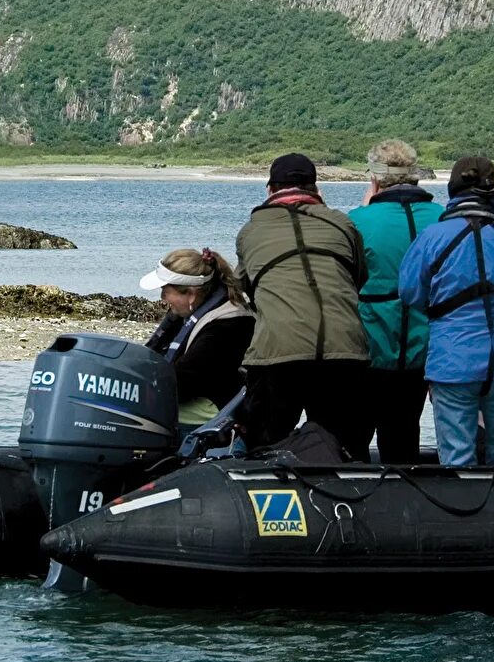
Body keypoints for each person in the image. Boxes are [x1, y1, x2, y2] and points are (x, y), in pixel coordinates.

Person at [398, 156, 494, 467]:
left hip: (453, 361)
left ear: (453, 192)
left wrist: (441, 310)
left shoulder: (431, 237)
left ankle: (462, 513)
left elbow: (409, 293)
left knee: (457, 459)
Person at [234, 153, 369, 452]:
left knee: (265, 445)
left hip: (278, 351)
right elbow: (358, 278)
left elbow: (244, 288)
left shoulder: (251, 231)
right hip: (344, 347)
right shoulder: (342, 223)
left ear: (270, 189)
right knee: (345, 446)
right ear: (315, 189)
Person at [346, 139, 442, 462]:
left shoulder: (358, 222)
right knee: (403, 438)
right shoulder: (443, 219)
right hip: (423, 353)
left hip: (371, 349)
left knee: (355, 439)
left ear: (374, 180)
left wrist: (364, 209)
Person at [139, 248, 254, 429]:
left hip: (218, 406)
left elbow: (182, 383)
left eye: (165, 291)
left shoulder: (227, 326)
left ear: (191, 294)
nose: (162, 297)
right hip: (197, 394)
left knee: (133, 411)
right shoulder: (191, 312)